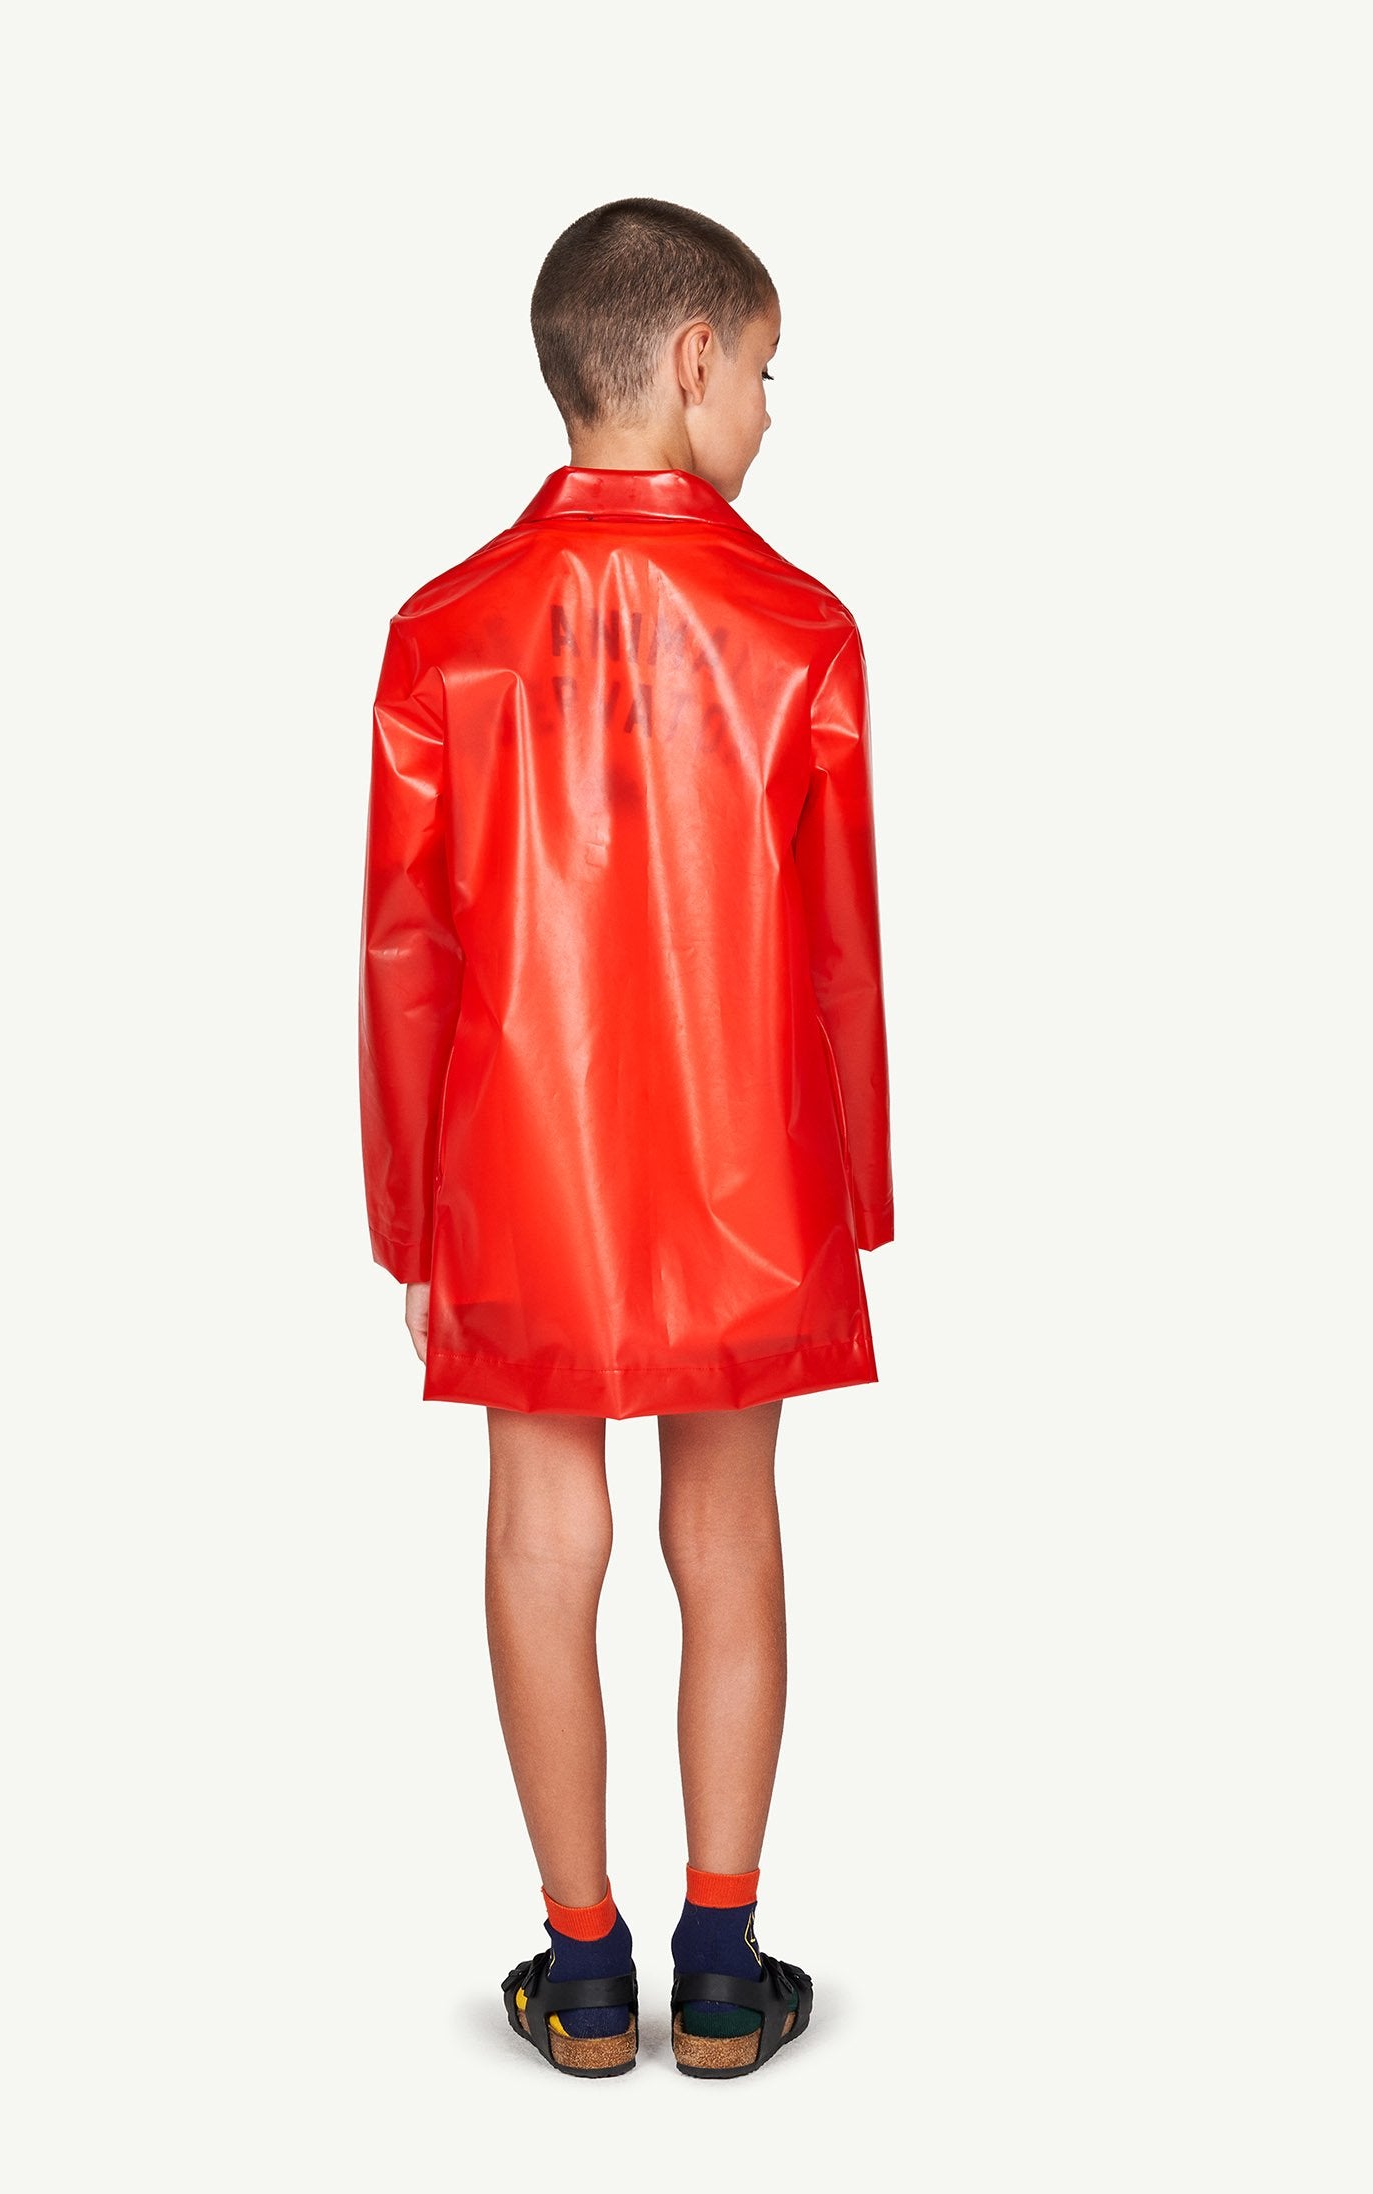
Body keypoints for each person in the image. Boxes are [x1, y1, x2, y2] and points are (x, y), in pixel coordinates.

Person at [358, 197, 893, 2079]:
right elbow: (839, 947)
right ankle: (724, 1964)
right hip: (750, 1162)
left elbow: (407, 951)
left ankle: (584, 1969)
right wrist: (857, 1194)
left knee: (542, 1529)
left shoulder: (442, 631)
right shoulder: (803, 628)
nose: (770, 410)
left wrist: (408, 1219)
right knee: (726, 1527)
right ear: (690, 361)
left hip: (520, 1162)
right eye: (766, 372)